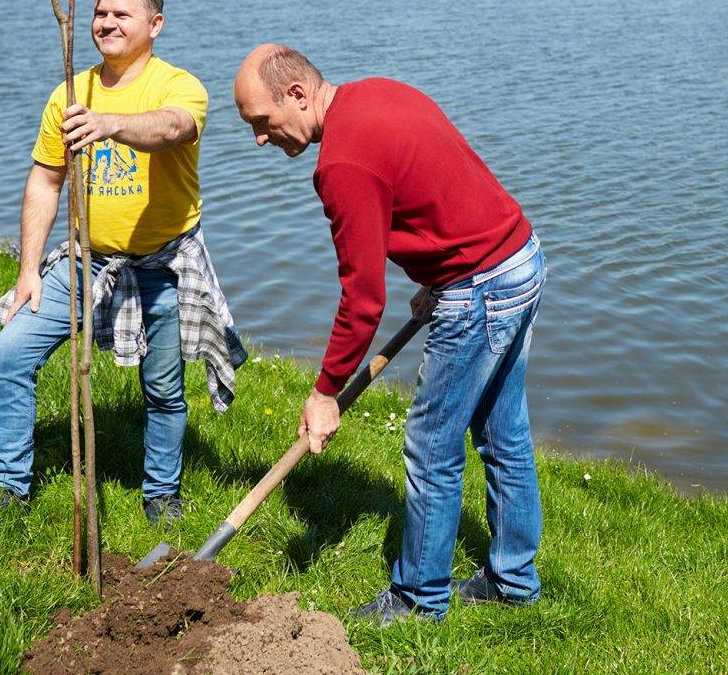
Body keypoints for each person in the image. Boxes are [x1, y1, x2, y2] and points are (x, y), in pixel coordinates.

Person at [232, 43, 546, 624]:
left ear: (297, 94)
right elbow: (444, 184)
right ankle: (514, 581)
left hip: (482, 286)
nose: (259, 137)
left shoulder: (341, 165)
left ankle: (419, 599)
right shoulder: (375, 92)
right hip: (518, 256)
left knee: (433, 446)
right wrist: (440, 273)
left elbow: (363, 299)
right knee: (504, 431)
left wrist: (325, 391)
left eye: (261, 120)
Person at [0, 0, 244, 526]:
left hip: (165, 264)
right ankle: (9, 487)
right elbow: (45, 182)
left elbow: (172, 128)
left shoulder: (180, 86)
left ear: (155, 25)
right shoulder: (70, 93)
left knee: (164, 388)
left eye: (122, 13)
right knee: (9, 353)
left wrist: (108, 124)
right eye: (101, 13)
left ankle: (161, 495)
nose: (107, 23)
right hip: (84, 261)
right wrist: (28, 270)